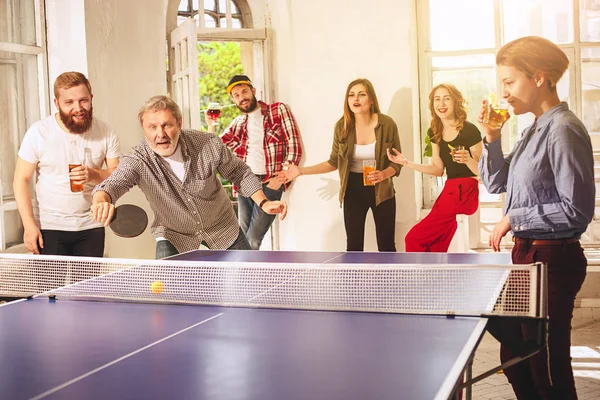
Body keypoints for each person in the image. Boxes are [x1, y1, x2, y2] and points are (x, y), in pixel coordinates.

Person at [478, 36, 595, 399]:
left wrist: (515, 217)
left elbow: (577, 210)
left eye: (509, 82)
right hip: (528, 257)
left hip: (552, 260)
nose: (504, 93)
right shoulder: (533, 128)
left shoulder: (562, 129)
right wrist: (492, 138)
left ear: (539, 77)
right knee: (515, 355)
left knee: (546, 364)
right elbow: (495, 181)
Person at [91, 95, 287, 259]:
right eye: (152, 127)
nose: (160, 134)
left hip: (222, 228)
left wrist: (263, 203)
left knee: (247, 284)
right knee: (169, 295)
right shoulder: (138, 160)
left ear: (179, 123)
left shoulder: (207, 144)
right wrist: (101, 201)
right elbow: (111, 185)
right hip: (173, 234)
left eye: (166, 125)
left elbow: (240, 172)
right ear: (144, 129)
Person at [279, 78, 401, 252]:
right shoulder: (342, 127)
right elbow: (334, 161)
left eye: (361, 94)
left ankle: (391, 279)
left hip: (382, 190)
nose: (355, 99)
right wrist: (300, 171)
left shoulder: (387, 124)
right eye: (351, 95)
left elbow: (396, 163)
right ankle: (353, 279)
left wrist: (383, 175)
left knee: (387, 245)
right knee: (353, 246)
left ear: (371, 99)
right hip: (352, 189)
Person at [14, 71, 120, 256]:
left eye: (83, 100)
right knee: (52, 286)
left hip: (91, 225)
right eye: (69, 102)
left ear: (91, 98)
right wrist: (29, 225)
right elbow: (21, 179)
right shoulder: (39, 132)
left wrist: (94, 175)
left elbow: (118, 174)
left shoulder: (106, 132)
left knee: (89, 286)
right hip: (49, 226)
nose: (78, 108)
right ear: (57, 103)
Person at [207, 75, 302, 250]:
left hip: (270, 183)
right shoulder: (238, 123)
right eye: (236, 95)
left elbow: (293, 144)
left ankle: (247, 275)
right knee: (243, 236)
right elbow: (213, 149)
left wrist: (281, 178)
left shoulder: (278, 110)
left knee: (253, 239)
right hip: (245, 184)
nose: (241, 97)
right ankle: (246, 276)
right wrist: (211, 125)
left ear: (253, 91)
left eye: (244, 91)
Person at [387, 84, 482, 252]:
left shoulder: (470, 130)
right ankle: (434, 275)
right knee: (435, 245)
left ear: (455, 102)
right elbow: (438, 169)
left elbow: (482, 172)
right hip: (450, 191)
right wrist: (406, 163)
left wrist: (467, 159)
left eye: (446, 98)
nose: (442, 103)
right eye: (437, 99)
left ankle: (416, 277)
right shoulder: (435, 131)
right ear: (433, 105)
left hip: (466, 191)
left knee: (413, 238)